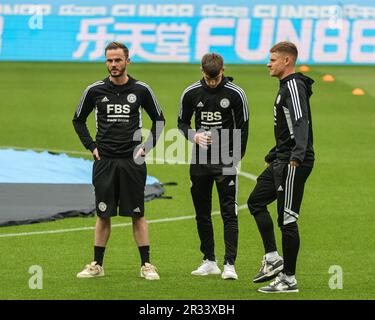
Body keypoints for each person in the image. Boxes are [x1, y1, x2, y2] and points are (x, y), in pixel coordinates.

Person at [73, 42, 165, 280]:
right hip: (105, 161)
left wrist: (146, 147)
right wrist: (91, 146)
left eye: (117, 60)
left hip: (132, 162)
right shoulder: (94, 90)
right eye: (109, 61)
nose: (113, 65)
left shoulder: (142, 90)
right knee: (103, 214)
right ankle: (97, 264)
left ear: (127, 61)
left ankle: (147, 265)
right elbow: (78, 120)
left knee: (137, 213)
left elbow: (159, 120)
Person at [247, 41, 314, 293]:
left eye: (273, 59)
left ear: (287, 61)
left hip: (294, 162)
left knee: (287, 220)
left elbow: (300, 120)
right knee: (255, 201)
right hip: (282, 158)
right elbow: (288, 126)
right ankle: (273, 258)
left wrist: (296, 156)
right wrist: (275, 152)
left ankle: (289, 278)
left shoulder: (294, 85)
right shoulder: (285, 86)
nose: (268, 63)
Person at [178, 53, 249, 280]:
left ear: (223, 71)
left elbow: (244, 128)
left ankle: (230, 264)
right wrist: (193, 136)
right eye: (208, 79)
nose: (212, 82)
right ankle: (209, 260)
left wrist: (236, 159)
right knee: (202, 213)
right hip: (199, 162)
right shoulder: (191, 93)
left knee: (229, 212)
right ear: (202, 72)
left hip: (225, 161)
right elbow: (181, 122)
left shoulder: (236, 94)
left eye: (215, 78)